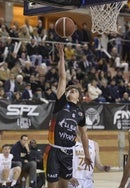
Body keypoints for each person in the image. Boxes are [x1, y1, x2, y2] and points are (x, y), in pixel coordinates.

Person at [46, 43, 92, 188]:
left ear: (79, 97)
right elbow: (62, 77)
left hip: (68, 153)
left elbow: (84, 135)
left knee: (64, 186)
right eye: (69, 90)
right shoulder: (61, 103)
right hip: (53, 150)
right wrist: (62, 55)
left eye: (74, 90)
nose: (71, 91)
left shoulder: (80, 113)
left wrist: (87, 154)